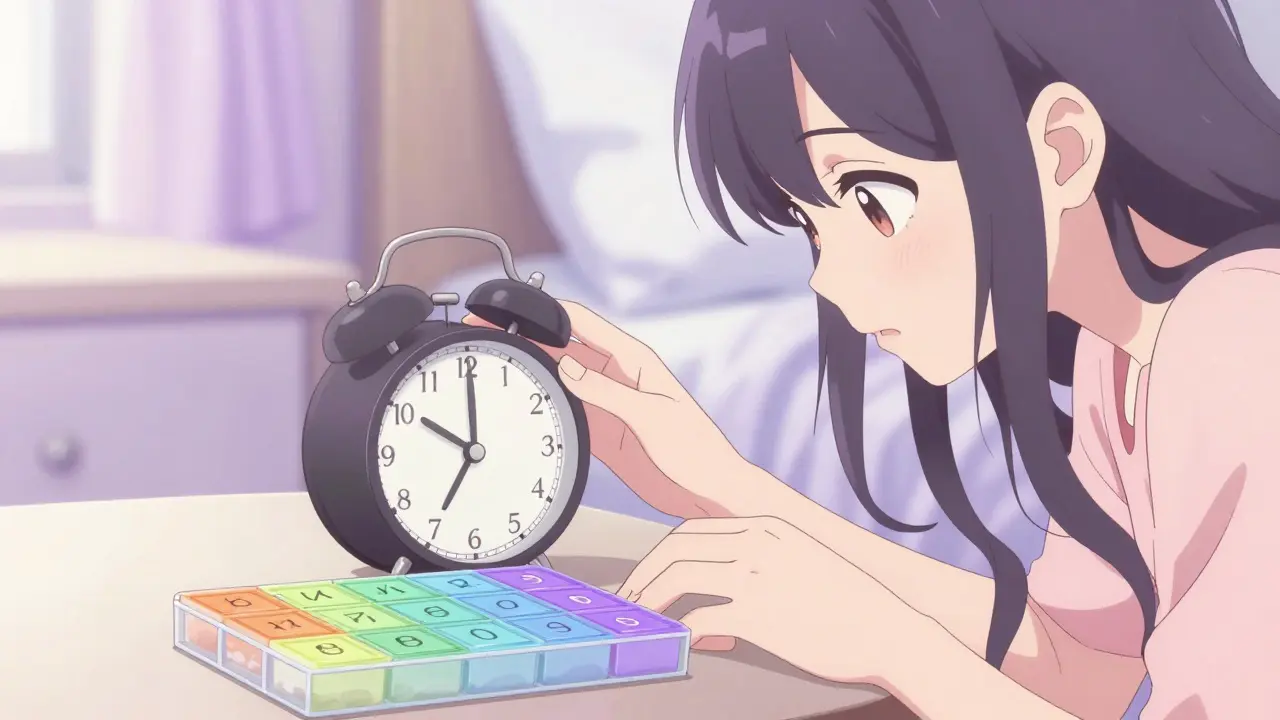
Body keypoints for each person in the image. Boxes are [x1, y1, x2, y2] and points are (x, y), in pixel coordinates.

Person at [467, 0, 1280, 717]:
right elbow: (1076, 666)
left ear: (1062, 149)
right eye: (811, 225)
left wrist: (888, 643)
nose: (830, 279)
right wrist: (730, 488)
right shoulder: (1126, 344)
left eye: (872, 199)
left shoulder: (1240, 338)